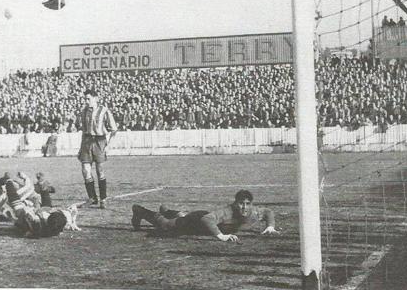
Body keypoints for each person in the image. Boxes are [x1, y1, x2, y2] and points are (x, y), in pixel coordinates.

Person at [131, 189, 279, 242]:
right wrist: (221, 236)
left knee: (180, 218)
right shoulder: (227, 212)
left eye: (247, 203)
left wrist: (270, 226)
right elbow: (206, 219)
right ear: (235, 203)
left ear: (251, 204)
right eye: (241, 203)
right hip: (198, 220)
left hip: (204, 223)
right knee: (166, 226)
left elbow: (268, 212)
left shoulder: (254, 212)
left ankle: (168, 211)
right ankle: (140, 211)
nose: (244, 207)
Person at [78, 89, 118, 208]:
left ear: (96, 98)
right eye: (85, 99)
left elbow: (114, 130)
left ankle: (103, 199)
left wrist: (108, 146)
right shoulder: (84, 111)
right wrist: (81, 147)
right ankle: (92, 198)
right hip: (87, 141)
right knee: (85, 170)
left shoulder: (104, 111)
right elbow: (84, 131)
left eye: (88, 99)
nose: (86, 101)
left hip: (100, 141)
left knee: (100, 170)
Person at [3, 179, 81, 238]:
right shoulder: (64, 219)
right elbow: (74, 208)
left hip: (38, 213)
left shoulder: (37, 224)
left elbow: (25, 214)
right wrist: (73, 223)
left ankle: (9, 183)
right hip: (43, 211)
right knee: (44, 206)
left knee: (19, 211)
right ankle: (43, 190)